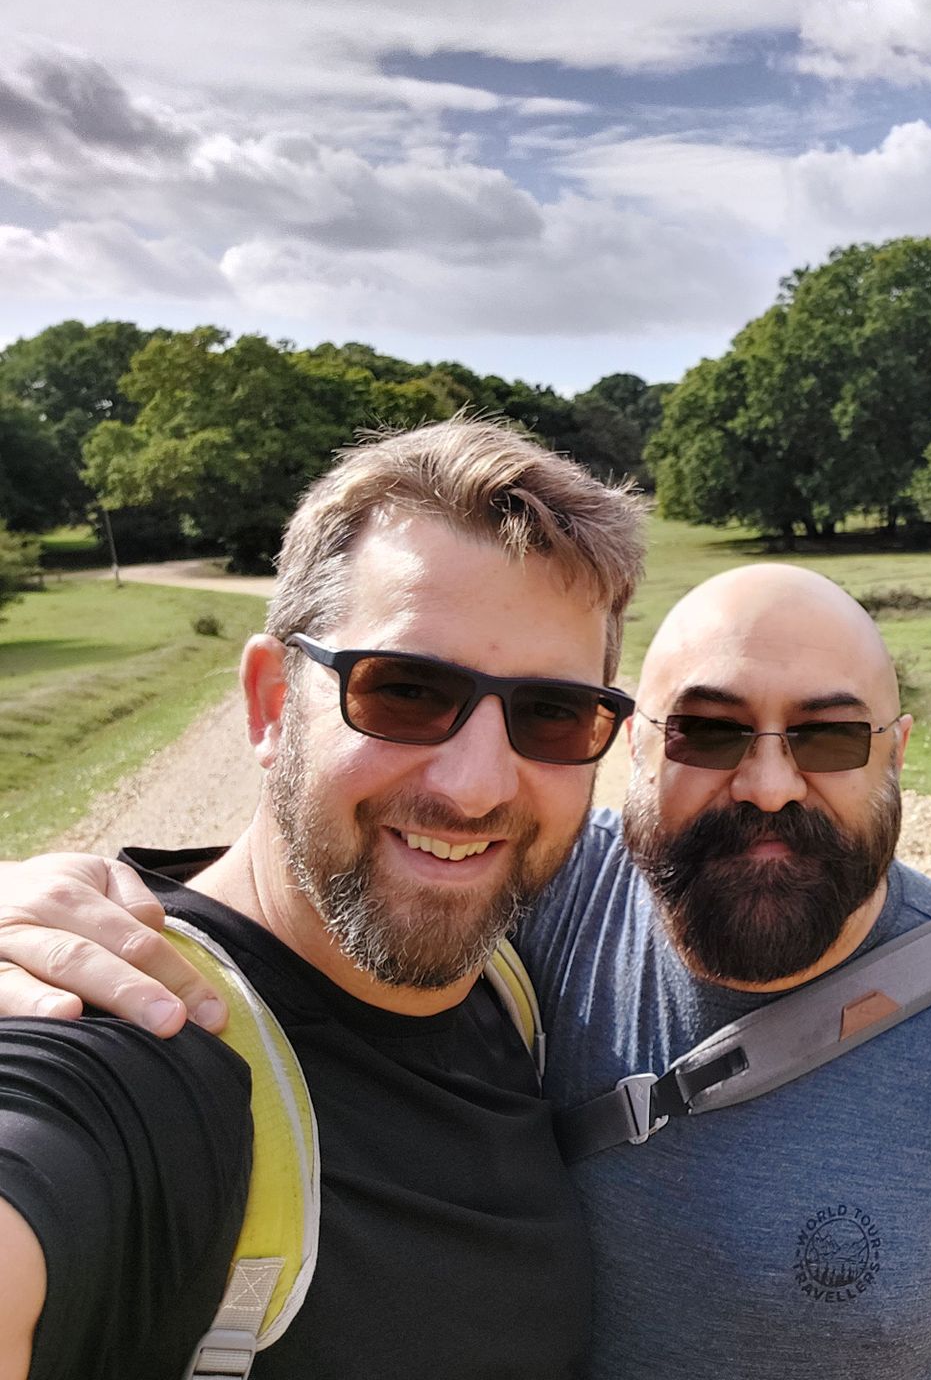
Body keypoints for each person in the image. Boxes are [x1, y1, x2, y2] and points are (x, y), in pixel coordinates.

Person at [0, 569, 931, 1375]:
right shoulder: (534, 904)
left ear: (895, 757)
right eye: (707, 731)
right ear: (635, 747)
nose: (768, 784)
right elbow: (302, 895)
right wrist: (46, 901)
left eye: (828, 736)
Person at [0, 419, 646, 1378]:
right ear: (271, 703)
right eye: (406, 691)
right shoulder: (136, 1046)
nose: (476, 787)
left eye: (551, 713)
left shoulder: (513, 985)